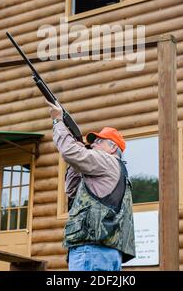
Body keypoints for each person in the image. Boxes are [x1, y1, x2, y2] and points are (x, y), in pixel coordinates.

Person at [46, 100, 136, 271]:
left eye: (98, 142)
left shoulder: (107, 161)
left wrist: (58, 121)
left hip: (91, 251)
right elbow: (72, 190)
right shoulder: (119, 170)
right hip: (109, 253)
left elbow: (69, 152)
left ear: (112, 147)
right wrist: (78, 157)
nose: (92, 145)